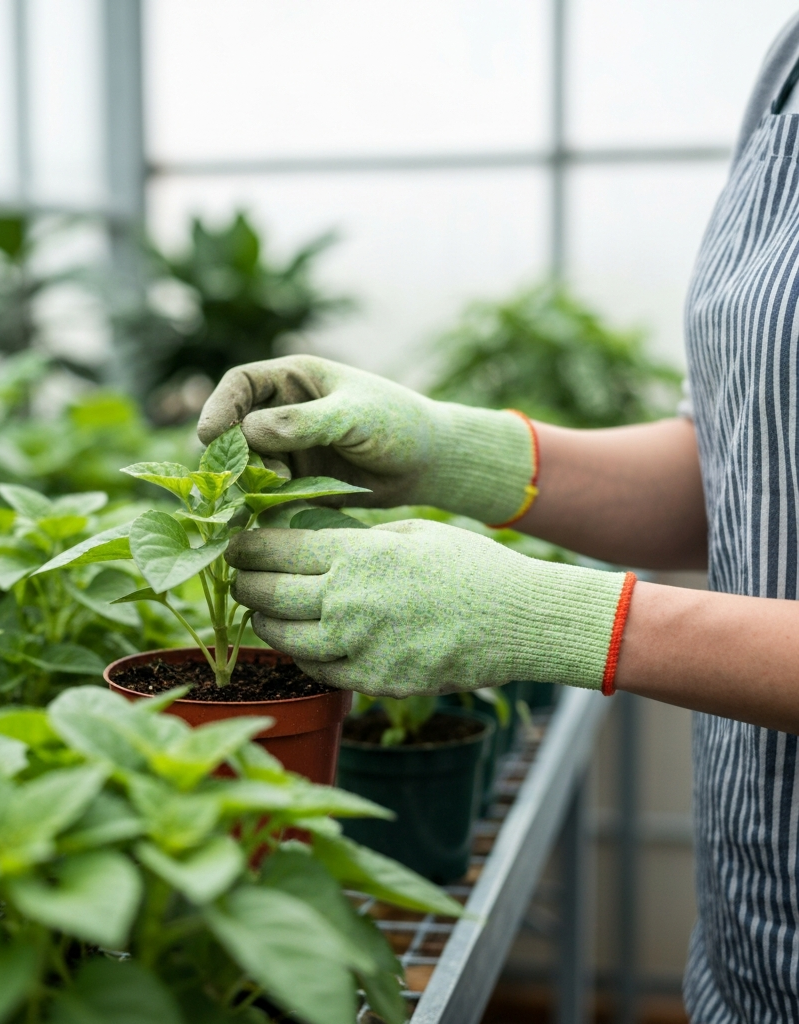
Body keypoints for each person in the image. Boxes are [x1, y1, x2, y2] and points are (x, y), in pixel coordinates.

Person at [197, 14, 799, 1022]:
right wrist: (453, 450)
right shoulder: (785, 66)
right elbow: (741, 467)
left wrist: (558, 619)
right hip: (751, 932)